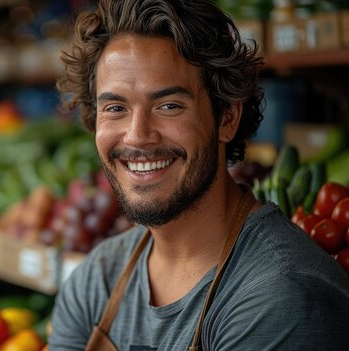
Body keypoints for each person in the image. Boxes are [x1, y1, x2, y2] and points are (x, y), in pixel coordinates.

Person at [49, 0, 349, 350]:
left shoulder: (282, 297)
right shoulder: (97, 279)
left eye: (168, 106)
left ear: (226, 119)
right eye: (115, 108)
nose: (137, 135)